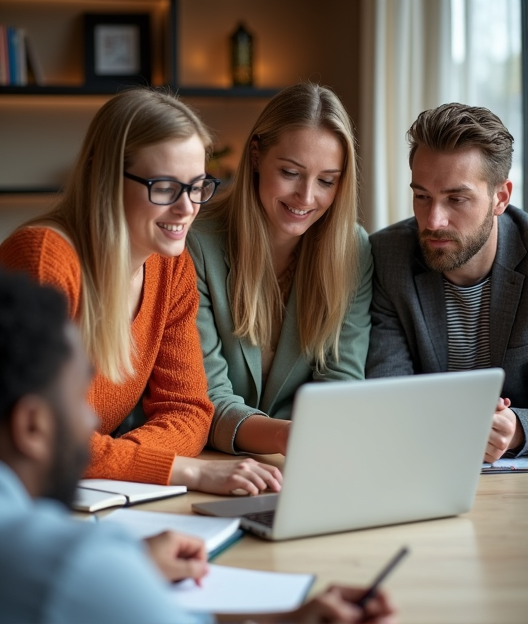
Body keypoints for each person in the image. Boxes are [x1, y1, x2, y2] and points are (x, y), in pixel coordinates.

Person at [0, 270, 398, 624]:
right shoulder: (74, 566)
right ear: (32, 425)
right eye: (77, 400)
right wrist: (111, 571)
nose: (93, 423)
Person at [0, 88, 281, 495]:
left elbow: (188, 412)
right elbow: (42, 435)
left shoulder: (170, 267)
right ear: (105, 176)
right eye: (165, 187)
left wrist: (115, 460)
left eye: (198, 186)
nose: (187, 208)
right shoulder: (45, 259)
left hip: (71, 493)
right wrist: (185, 471)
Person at [187, 83, 373, 455]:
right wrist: (288, 437)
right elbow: (206, 396)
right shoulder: (197, 244)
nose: (306, 197)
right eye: (290, 172)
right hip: (216, 458)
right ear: (256, 155)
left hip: (312, 458)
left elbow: (342, 381)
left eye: (326, 181)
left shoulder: (352, 248)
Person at [366, 103, 528, 462]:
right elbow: (386, 393)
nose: (434, 220)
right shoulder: (387, 257)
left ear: (500, 197)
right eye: (422, 196)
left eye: (457, 199)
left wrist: (517, 429)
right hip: (418, 468)